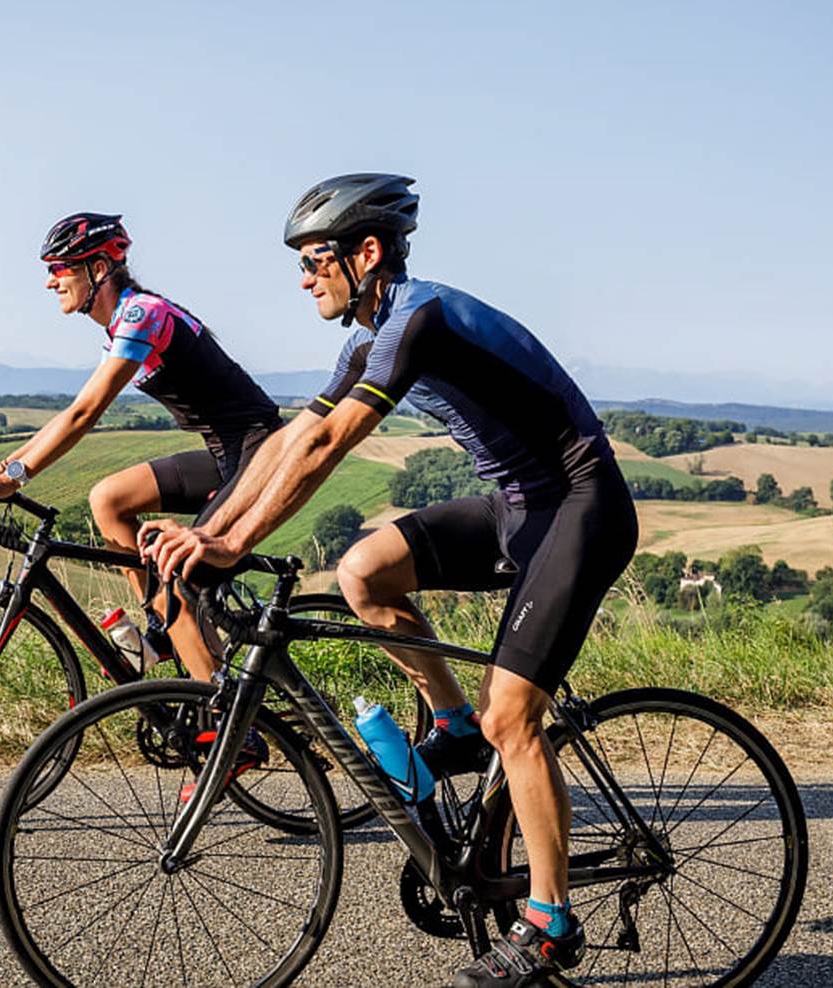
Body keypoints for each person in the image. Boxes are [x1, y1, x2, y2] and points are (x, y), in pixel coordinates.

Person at [141, 174, 638, 988]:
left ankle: (549, 921)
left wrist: (233, 544)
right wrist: (212, 530)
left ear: (366, 252)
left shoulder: (419, 319)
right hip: (517, 506)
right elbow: (289, 440)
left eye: (314, 261)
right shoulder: (369, 332)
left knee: (515, 716)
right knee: (362, 570)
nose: (304, 279)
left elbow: (332, 445)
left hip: (581, 506)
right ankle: (453, 728)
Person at [0, 211, 283, 683]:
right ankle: (163, 627)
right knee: (108, 499)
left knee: (176, 580)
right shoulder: (123, 322)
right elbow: (71, 413)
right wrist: (3, 468)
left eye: (59, 268)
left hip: (260, 453)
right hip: (226, 453)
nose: (51, 282)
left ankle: (224, 719)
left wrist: (13, 476)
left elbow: (83, 414)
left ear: (98, 269)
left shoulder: (140, 314)